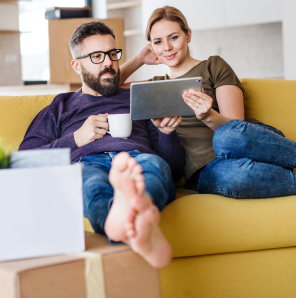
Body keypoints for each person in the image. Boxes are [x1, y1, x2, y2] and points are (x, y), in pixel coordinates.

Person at [119, 6, 296, 198]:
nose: (166, 47)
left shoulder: (213, 66)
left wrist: (208, 115)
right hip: (206, 171)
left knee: (226, 137)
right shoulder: (155, 86)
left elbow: (236, 127)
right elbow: (106, 88)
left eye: (173, 37)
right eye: (158, 42)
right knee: (237, 177)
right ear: (152, 47)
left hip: (253, 146)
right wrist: (137, 60)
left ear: (188, 35)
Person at [19, 20, 185, 269]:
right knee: (90, 182)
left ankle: (131, 219)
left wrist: (167, 133)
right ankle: (138, 225)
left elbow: (174, 169)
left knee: (153, 166)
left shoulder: (138, 97)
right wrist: (75, 139)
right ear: (77, 65)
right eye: (96, 56)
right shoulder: (60, 105)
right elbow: (24, 161)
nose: (108, 62)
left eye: (112, 54)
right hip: (87, 161)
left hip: (137, 158)